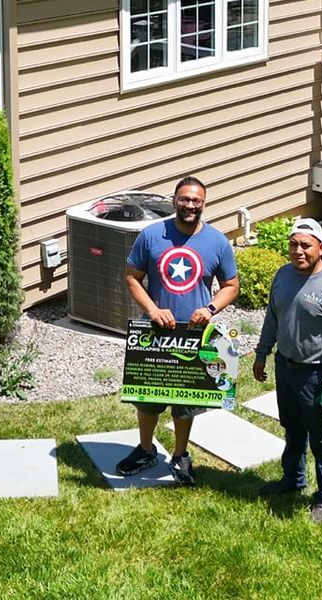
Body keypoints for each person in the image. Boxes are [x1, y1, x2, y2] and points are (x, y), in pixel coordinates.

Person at [118, 176, 239, 484]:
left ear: (204, 204)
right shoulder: (151, 236)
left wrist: (210, 308)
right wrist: (153, 310)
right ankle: (145, 449)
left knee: (185, 400)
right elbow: (132, 276)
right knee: (148, 398)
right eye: (184, 199)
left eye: (196, 200)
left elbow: (231, 285)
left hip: (194, 335)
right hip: (155, 333)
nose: (190, 205)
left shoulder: (217, 241)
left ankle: (180, 455)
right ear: (174, 201)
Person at [252, 216, 322, 524]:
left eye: (306, 246)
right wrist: (261, 353)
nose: (298, 251)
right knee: (292, 429)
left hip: (318, 373)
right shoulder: (283, 275)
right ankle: (293, 481)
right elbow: (272, 318)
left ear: (321, 248)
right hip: (285, 367)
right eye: (294, 244)